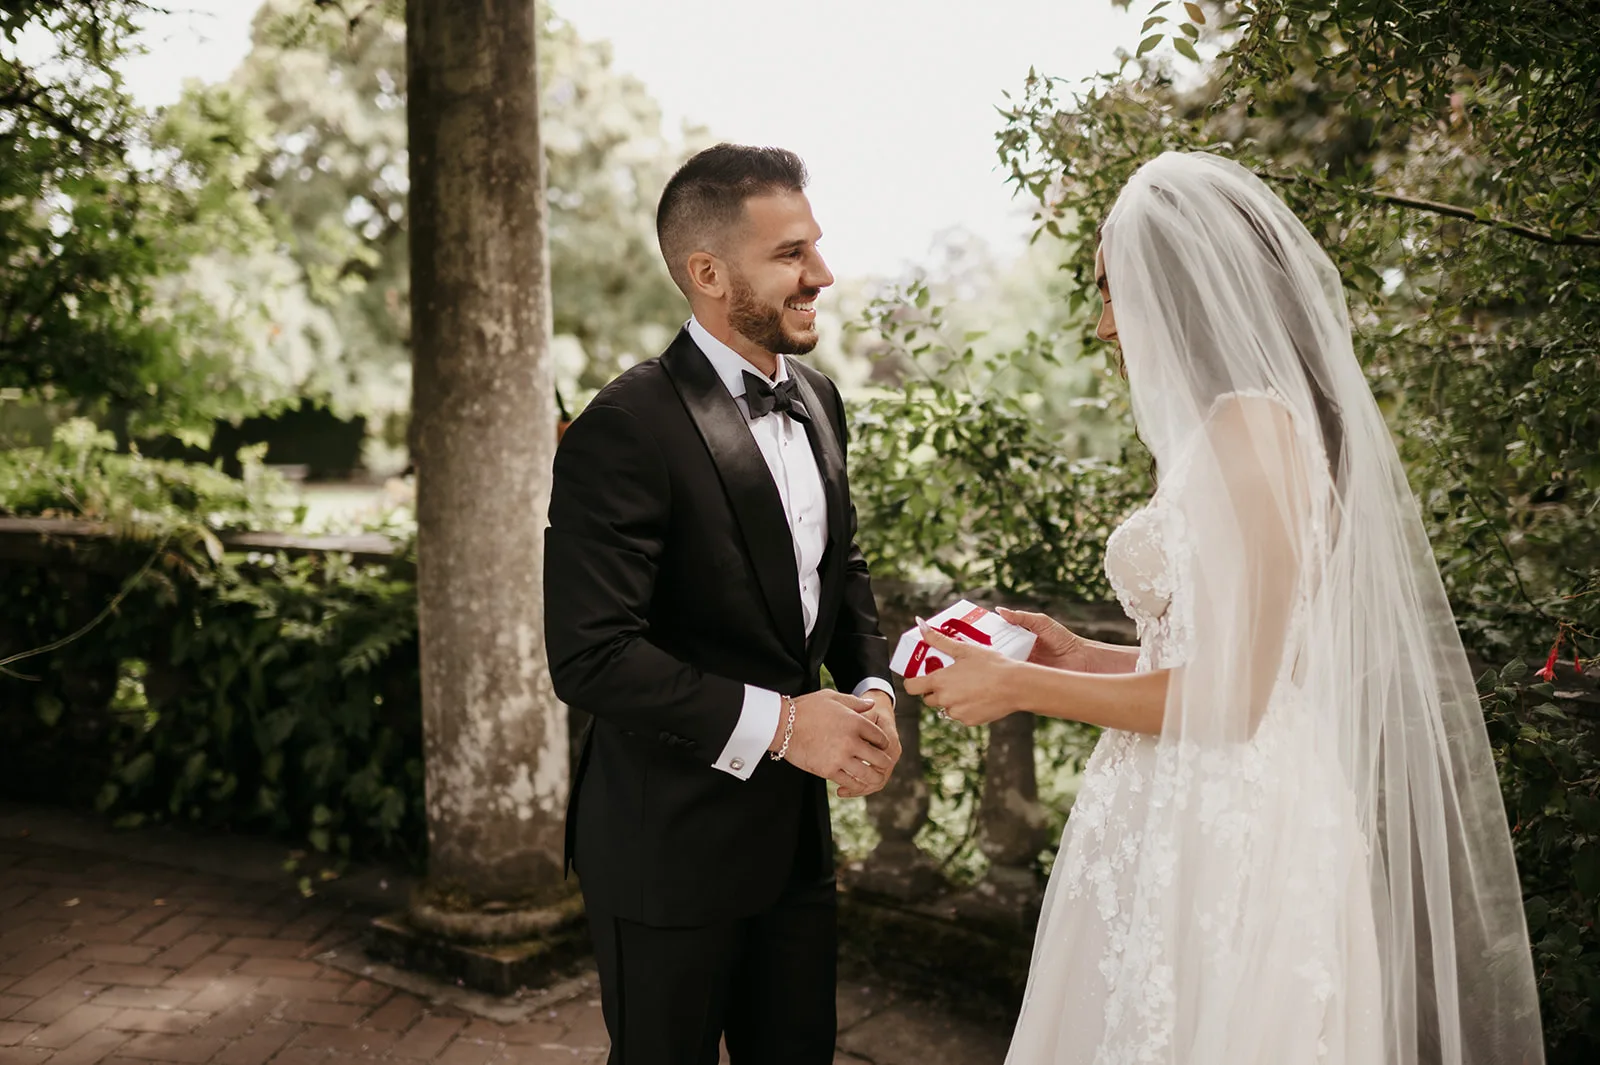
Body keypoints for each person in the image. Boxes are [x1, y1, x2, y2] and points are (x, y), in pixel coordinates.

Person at [906, 151, 1544, 1065]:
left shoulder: (1255, 428)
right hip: (1175, 794)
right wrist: (1082, 655)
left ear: (1177, 287)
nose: (1104, 325)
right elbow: (1240, 660)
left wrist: (1016, 686)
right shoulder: (1226, 431)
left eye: (1111, 291)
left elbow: (1237, 699)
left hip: (1228, 812)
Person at [544, 143, 902, 1065]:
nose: (821, 273)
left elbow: (840, 568)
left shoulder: (820, 398)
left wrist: (872, 692)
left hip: (793, 845)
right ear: (707, 274)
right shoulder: (623, 427)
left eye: (814, 247)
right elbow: (591, 655)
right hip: (665, 848)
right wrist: (788, 725)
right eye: (790, 254)